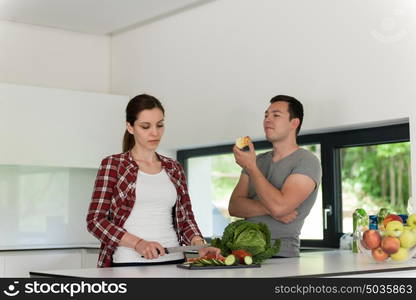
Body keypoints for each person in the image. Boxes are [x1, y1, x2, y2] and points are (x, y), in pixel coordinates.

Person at [86, 94, 221, 267]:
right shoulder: (113, 165)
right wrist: (138, 244)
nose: (155, 133)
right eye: (145, 126)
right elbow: (96, 220)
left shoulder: (174, 168)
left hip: (174, 260)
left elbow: (186, 218)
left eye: (160, 125)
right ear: (130, 127)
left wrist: (199, 245)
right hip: (130, 262)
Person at [228, 95, 322, 257]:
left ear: (294, 123)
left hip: (280, 256)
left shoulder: (307, 161)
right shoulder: (257, 160)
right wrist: (270, 209)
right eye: (266, 116)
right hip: (242, 254)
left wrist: (251, 168)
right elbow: (234, 207)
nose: (267, 120)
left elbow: (279, 207)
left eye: (276, 115)